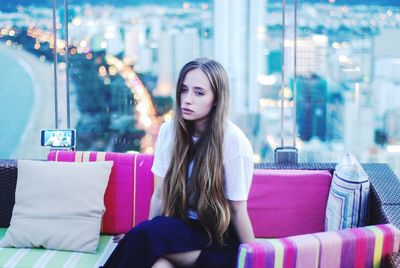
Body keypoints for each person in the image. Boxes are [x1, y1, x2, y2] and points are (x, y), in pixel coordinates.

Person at [102, 58, 255, 268]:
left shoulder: (233, 141)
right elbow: (159, 195)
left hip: (218, 241)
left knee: (146, 235)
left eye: (199, 93)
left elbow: (238, 211)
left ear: (216, 99)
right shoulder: (169, 131)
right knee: (158, 262)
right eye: (184, 90)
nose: (187, 99)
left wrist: (256, 259)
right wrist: (144, 234)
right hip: (181, 230)